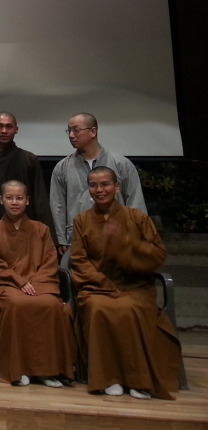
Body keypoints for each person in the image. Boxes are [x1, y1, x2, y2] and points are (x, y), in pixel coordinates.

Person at [70, 166, 180, 400]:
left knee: (129, 309)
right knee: (98, 309)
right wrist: (103, 283)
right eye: (93, 185)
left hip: (135, 287)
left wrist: (126, 241)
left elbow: (158, 254)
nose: (100, 190)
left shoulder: (137, 218)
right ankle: (108, 378)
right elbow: (79, 260)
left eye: (105, 184)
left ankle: (138, 380)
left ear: (116, 187)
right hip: (97, 288)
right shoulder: (82, 220)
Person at [0, 180, 74, 386]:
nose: (14, 202)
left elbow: (49, 262)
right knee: (17, 304)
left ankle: (47, 371)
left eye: (19, 198)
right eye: (10, 198)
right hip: (8, 285)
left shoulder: (41, 229)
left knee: (50, 305)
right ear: (1, 200)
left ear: (27, 201)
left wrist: (36, 283)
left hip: (39, 284)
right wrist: (19, 281)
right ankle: (19, 369)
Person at [51, 113, 146, 253]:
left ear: (93, 132)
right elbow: (57, 205)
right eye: (69, 131)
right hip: (78, 239)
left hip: (118, 238)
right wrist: (60, 239)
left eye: (76, 130)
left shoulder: (121, 164)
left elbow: (135, 200)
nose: (71, 135)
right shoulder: (62, 168)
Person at [0, 113, 55, 243]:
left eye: (9, 127)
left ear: (16, 130)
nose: (4, 131)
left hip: (26, 227)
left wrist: (49, 237)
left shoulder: (29, 159)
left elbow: (40, 199)